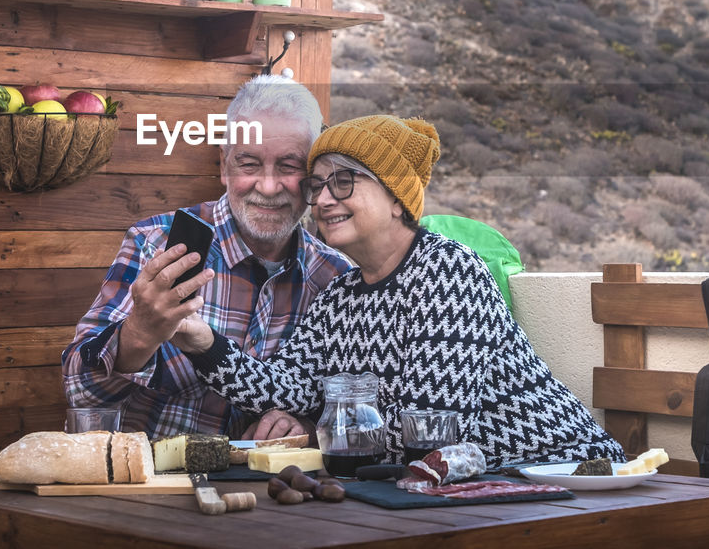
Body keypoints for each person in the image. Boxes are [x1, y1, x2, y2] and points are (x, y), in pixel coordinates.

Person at [172, 115, 625, 467]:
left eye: (344, 181)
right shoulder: (340, 296)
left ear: (396, 199)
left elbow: (426, 433)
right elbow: (289, 388)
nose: (325, 199)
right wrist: (200, 340)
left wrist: (317, 431)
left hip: (562, 473)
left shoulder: (448, 274)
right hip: (455, 486)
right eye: (318, 186)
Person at [62, 75, 353, 440]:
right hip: (152, 484)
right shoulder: (158, 245)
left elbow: (346, 407)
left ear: (313, 173)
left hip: (271, 492)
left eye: (288, 166)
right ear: (223, 165)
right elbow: (79, 393)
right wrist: (138, 335)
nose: (267, 186)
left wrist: (309, 427)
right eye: (248, 164)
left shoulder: (335, 276)